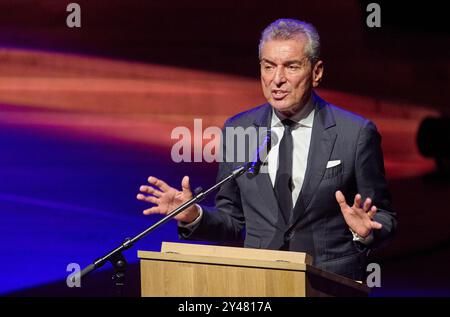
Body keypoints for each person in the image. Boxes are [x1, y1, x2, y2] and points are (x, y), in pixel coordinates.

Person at [137, 18, 397, 280]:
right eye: (268, 66)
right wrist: (195, 215)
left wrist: (367, 232)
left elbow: (384, 216)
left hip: (329, 283)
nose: (277, 79)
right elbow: (233, 222)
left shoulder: (355, 133)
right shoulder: (239, 129)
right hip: (260, 283)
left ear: (316, 72)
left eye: (291, 67)